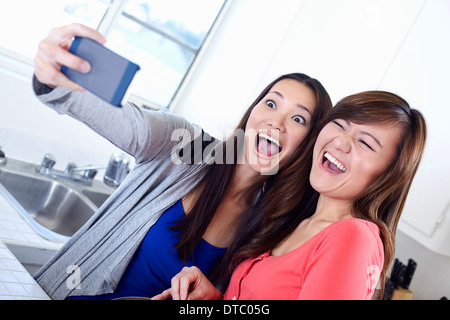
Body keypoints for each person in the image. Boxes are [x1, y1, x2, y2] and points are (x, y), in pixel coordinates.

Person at [31, 23, 332, 299]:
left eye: (297, 118)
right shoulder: (192, 146)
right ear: (252, 112)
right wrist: (55, 78)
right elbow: (133, 126)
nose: (276, 123)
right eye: (270, 103)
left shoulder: (267, 228)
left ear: (307, 143)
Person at [154, 90, 427, 300]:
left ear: (389, 175)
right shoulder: (299, 221)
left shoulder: (352, 238)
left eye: (365, 143)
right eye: (340, 125)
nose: (341, 142)